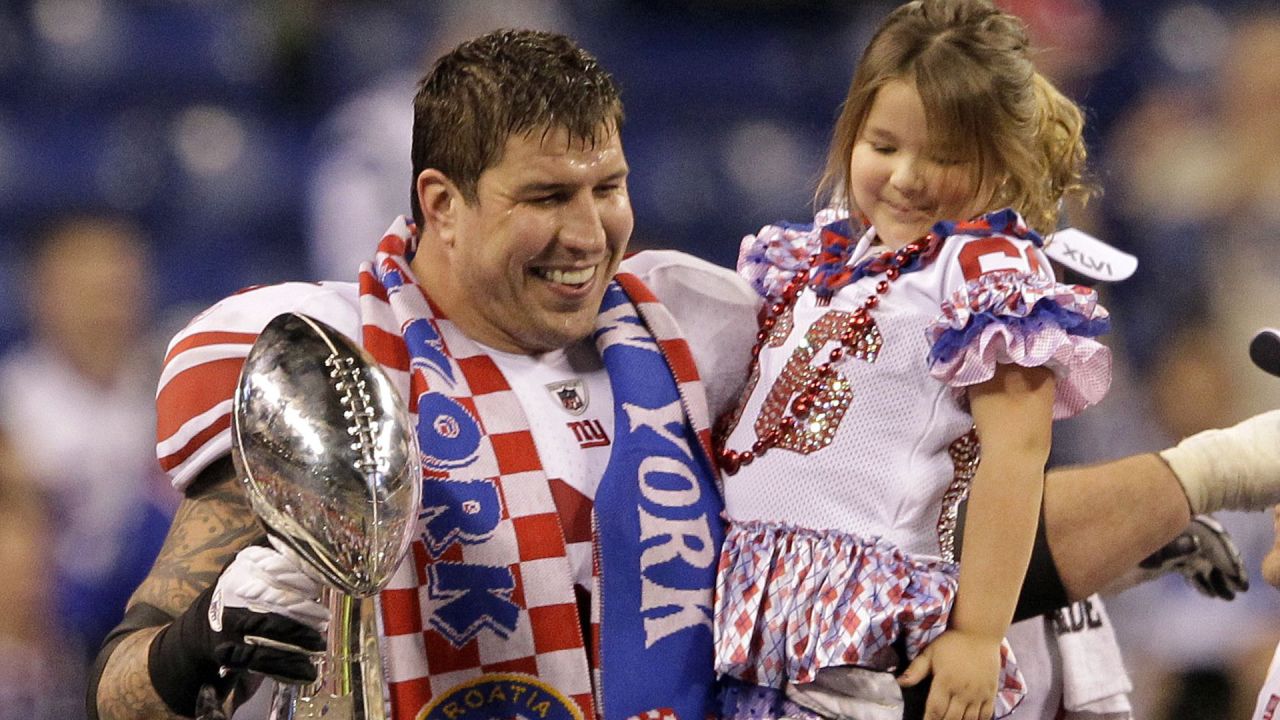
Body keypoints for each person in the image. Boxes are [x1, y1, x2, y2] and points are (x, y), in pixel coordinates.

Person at [89, 27, 1280, 720]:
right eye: (545, 198)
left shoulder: (694, 326)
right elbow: (121, 681)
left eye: (605, 187)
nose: (588, 230)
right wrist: (194, 651)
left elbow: (879, 547)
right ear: (438, 205)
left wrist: (1188, 486)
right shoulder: (323, 352)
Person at [711, 2, 1107, 718]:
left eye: (947, 157)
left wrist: (980, 632)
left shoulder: (986, 270)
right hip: (746, 601)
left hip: (856, 616)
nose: (907, 177)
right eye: (884, 145)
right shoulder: (812, 261)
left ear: (1002, 158)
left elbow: (1018, 454)